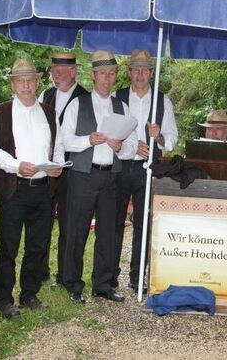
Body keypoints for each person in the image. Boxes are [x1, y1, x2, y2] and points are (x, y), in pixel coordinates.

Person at [0, 58, 64, 318]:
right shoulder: (0, 112)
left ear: (37, 81)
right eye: (21, 80)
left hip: (42, 189)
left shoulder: (49, 112)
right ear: (13, 83)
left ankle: (29, 293)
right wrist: (16, 166)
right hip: (14, 188)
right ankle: (4, 300)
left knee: (37, 245)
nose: (27, 85)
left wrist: (57, 165)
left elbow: (58, 144)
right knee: (8, 245)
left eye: (30, 80)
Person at [61, 50, 137, 304]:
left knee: (108, 232)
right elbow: (65, 140)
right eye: (102, 73)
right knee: (77, 230)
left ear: (116, 76)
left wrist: (120, 148)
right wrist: (88, 140)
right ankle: (73, 284)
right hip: (83, 175)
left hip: (110, 177)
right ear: (93, 75)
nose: (107, 78)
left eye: (111, 73)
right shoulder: (77, 104)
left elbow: (132, 146)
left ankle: (103, 284)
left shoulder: (122, 106)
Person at [113, 49, 177, 292]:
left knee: (144, 224)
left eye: (145, 70)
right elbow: (109, 131)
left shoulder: (163, 101)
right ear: (129, 72)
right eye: (136, 69)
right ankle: (110, 276)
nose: (140, 74)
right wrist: (129, 145)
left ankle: (137, 276)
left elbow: (172, 138)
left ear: (151, 72)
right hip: (119, 167)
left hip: (150, 170)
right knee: (114, 221)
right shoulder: (117, 98)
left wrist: (158, 135)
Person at [38, 52, 89, 286]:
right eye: (53, 70)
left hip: (73, 170)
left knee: (70, 224)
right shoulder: (46, 95)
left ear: (73, 72)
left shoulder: (85, 99)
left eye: (60, 71)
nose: (55, 75)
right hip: (47, 169)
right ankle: (41, 270)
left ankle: (65, 274)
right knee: (42, 221)